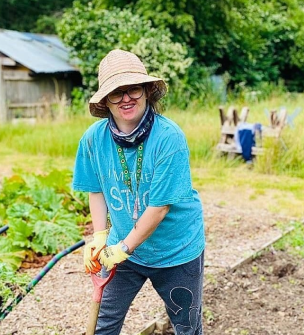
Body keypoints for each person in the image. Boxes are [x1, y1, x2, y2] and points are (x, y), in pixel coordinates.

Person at [72, 49, 206, 335]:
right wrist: (99, 237)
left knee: (186, 326)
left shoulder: (169, 138)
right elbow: (95, 189)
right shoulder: (93, 140)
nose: (126, 98)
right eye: (115, 93)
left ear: (146, 90)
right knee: (103, 326)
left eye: (132, 88)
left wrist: (122, 248)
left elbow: (159, 208)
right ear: (105, 101)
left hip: (176, 250)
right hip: (125, 251)